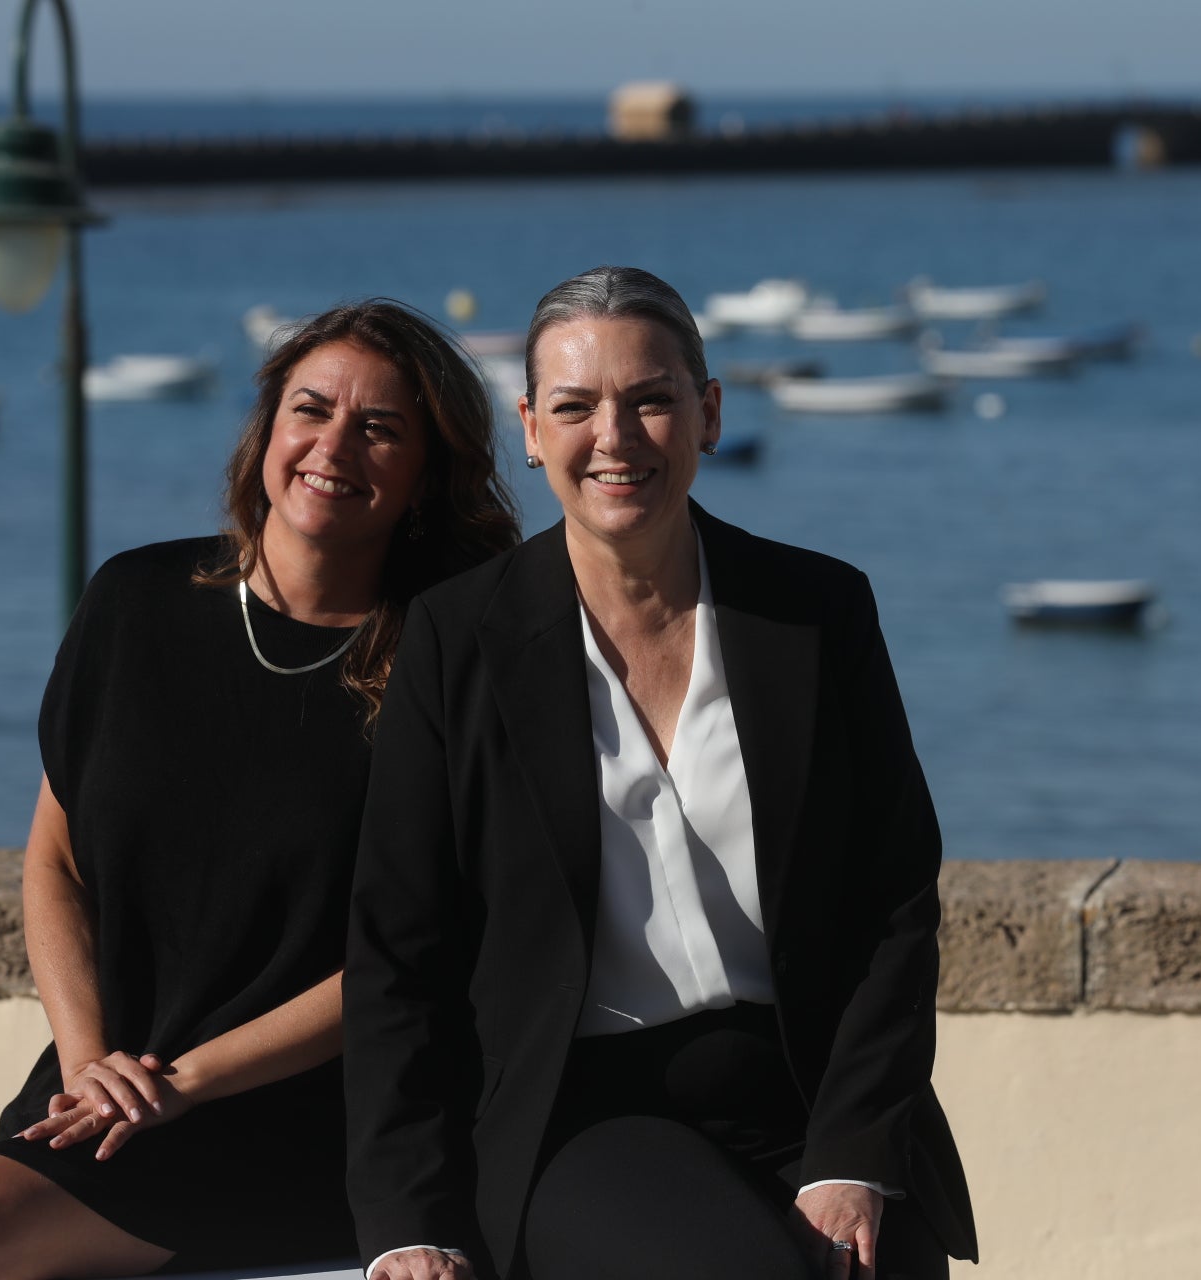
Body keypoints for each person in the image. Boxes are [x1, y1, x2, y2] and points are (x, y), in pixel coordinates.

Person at [344, 266, 978, 1280]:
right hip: (583, 1111)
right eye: (576, 406)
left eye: (650, 398)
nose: (617, 436)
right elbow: (395, 950)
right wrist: (406, 1217)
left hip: (809, 1092)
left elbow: (895, 899)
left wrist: (854, 1150)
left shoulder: (818, 610)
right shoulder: (457, 639)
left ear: (708, 412)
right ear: (531, 428)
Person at [0, 299, 519, 1279]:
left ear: (425, 477)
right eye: (311, 409)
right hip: (107, 1087)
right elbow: (55, 861)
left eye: (381, 427)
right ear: (267, 427)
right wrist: (87, 1061)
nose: (335, 446)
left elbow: (411, 957)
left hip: (310, 1117)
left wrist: (183, 1083)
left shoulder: (446, 667)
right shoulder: (135, 600)